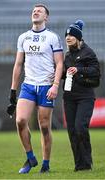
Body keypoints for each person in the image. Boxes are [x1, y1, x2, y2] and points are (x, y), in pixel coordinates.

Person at [7, 4, 63, 174]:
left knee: (44, 126)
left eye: (40, 11)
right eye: (34, 10)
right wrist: (13, 91)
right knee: (20, 120)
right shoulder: (23, 37)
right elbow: (18, 65)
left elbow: (59, 63)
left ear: (46, 17)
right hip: (28, 85)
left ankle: (46, 164)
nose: (36, 12)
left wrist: (55, 85)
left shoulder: (52, 37)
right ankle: (30, 157)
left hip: (46, 86)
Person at [62, 20, 100, 171]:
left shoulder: (88, 52)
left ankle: (87, 162)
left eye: (71, 35)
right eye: (66, 35)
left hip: (85, 97)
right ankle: (79, 165)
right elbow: (64, 73)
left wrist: (79, 70)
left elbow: (96, 72)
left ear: (78, 37)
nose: (68, 37)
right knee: (72, 131)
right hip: (69, 98)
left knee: (80, 128)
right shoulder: (67, 55)